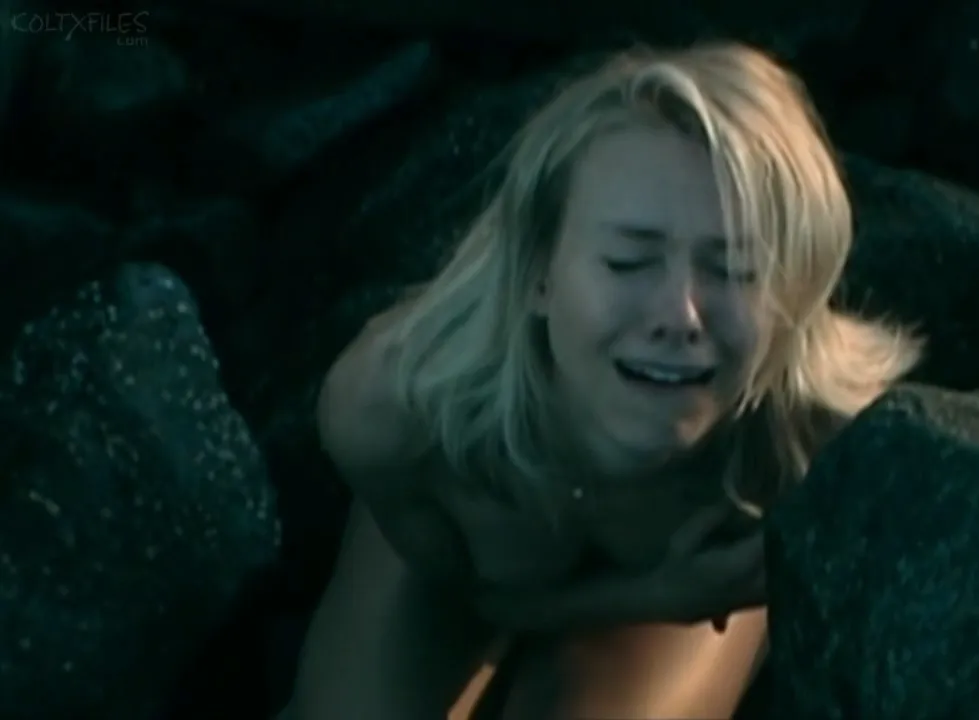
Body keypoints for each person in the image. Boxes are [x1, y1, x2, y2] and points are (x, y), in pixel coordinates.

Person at [287, 41, 922, 720]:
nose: (680, 316)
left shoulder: (824, 443)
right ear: (537, 272)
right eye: (627, 263)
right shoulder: (396, 412)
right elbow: (467, 592)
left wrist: (682, 601)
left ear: (794, 292)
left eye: (735, 271)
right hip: (480, 558)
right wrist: (655, 594)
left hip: (692, 606)